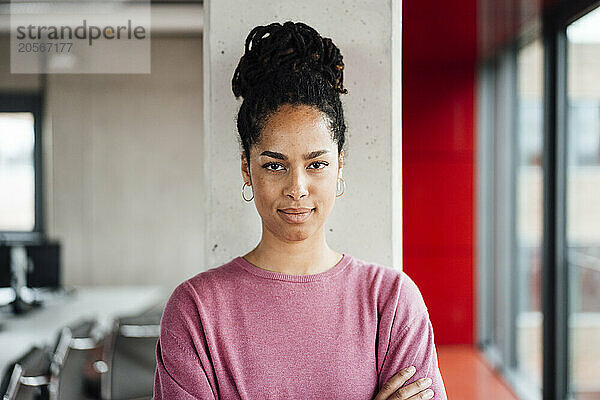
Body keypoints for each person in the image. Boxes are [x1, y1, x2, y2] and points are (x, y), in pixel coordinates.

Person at [153, 21, 447, 400]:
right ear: (247, 167)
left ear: (340, 165)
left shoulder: (390, 301)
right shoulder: (195, 311)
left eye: (316, 164)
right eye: (275, 165)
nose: (296, 189)